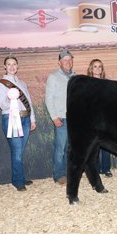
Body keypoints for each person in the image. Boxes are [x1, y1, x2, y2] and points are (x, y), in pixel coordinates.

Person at [0, 54, 37, 191]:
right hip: (12, 119)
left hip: (25, 119)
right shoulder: (1, 85)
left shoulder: (22, 83)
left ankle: (19, 178)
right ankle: (18, 181)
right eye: (9, 64)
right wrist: (9, 99)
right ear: (4, 67)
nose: (12, 67)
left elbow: (28, 102)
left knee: (20, 151)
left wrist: (32, 119)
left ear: (17, 66)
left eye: (14, 64)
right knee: (17, 152)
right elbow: (2, 105)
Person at [45, 50, 75, 184]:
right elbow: (48, 99)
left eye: (70, 60)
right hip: (61, 118)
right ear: (59, 62)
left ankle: (70, 173)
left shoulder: (76, 76)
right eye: (65, 60)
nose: (68, 62)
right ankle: (59, 175)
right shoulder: (53, 77)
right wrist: (54, 117)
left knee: (71, 149)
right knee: (60, 149)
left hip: (75, 120)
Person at [87, 59, 112, 177]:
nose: (97, 69)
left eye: (100, 67)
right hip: (92, 119)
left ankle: (106, 169)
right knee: (93, 146)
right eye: (95, 66)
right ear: (91, 69)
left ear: (102, 69)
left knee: (106, 145)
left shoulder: (107, 83)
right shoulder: (87, 84)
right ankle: (95, 169)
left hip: (105, 118)